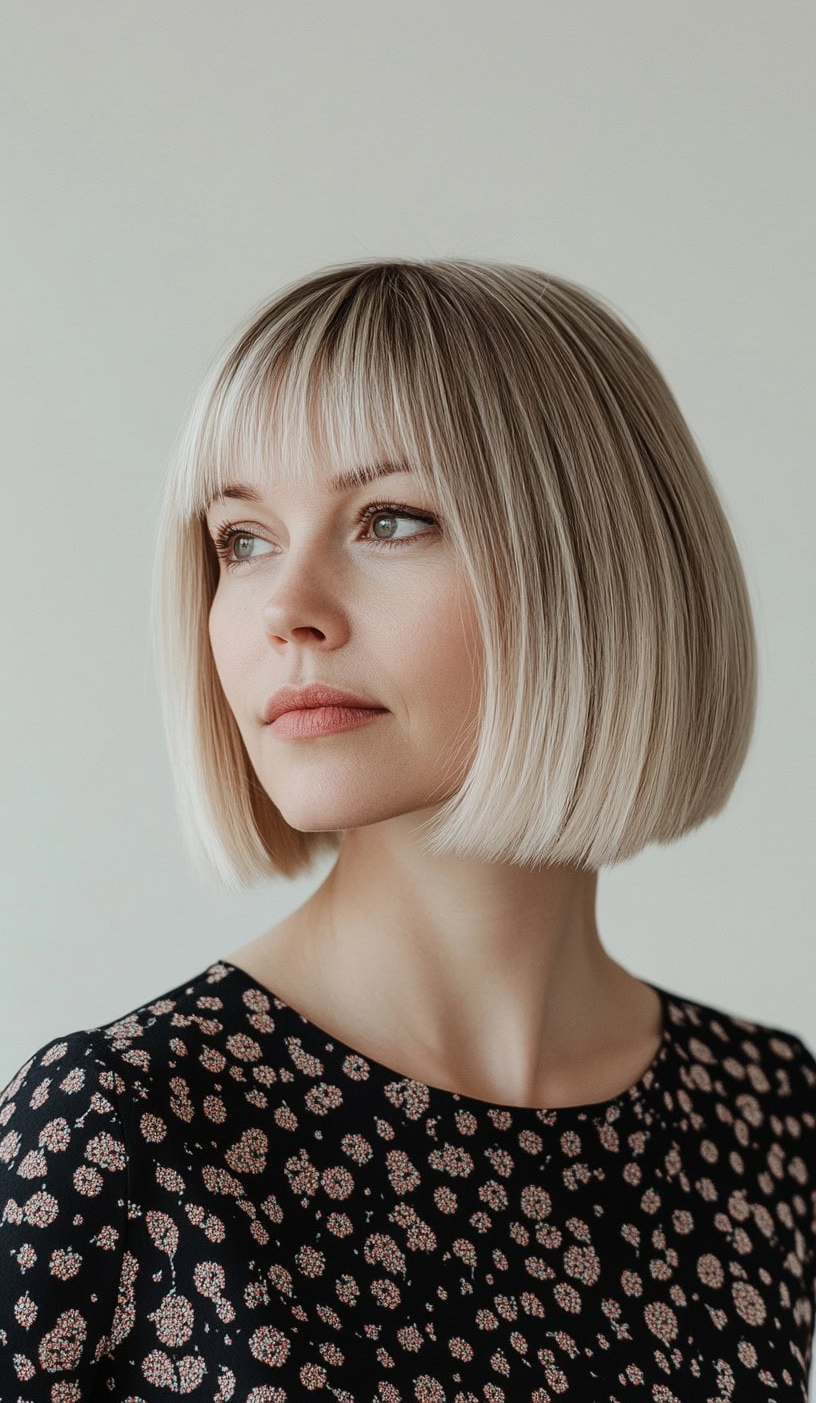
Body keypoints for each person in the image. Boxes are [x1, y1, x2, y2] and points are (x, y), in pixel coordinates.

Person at [1, 259, 813, 1400]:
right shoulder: (116, 1129)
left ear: (592, 568)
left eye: (389, 519)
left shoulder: (767, 1116)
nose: (286, 609)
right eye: (241, 539)